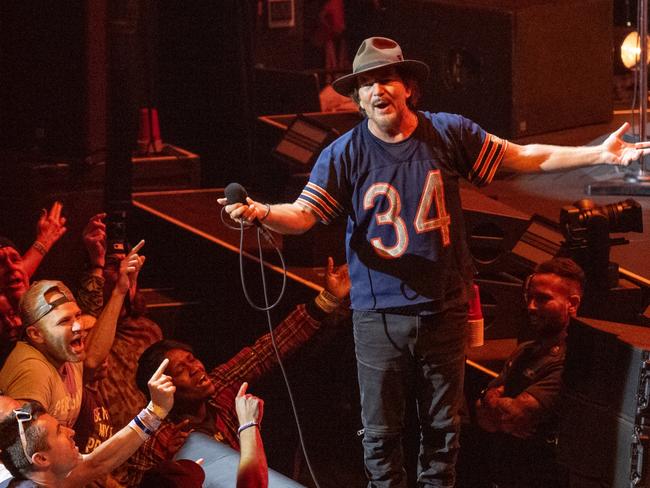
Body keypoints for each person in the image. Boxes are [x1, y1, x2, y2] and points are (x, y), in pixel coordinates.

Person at [219, 37, 650, 487]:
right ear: (357, 98)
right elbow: (304, 214)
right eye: (365, 84)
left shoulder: (447, 132)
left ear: (409, 87)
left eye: (385, 79)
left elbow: (522, 157)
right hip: (377, 316)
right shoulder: (343, 153)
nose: (376, 90)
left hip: (443, 309)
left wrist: (599, 153)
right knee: (381, 436)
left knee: (443, 433)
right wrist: (263, 212)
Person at [124, 257, 350, 486]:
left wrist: (328, 299)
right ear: (163, 386)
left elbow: (268, 349)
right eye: (182, 369)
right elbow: (132, 483)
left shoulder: (218, 389)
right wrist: (166, 461)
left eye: (192, 360)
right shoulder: (153, 437)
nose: (195, 368)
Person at [0, 241, 145, 427]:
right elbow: (23, 447)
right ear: (36, 334)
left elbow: (92, 358)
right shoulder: (32, 371)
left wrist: (120, 290)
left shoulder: (69, 355)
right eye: (64, 321)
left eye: (77, 316)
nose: (77, 327)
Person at [473, 258, 584, 488]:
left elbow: (516, 414)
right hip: (505, 475)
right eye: (530, 297)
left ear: (571, 304)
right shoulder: (525, 350)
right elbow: (483, 416)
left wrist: (493, 402)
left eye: (543, 299)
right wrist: (491, 399)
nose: (531, 306)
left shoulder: (572, 360)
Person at [0, 358, 174, 488]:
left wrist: (155, 411)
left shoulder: (36, 475)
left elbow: (96, 462)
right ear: (42, 458)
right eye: (59, 432)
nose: (71, 431)